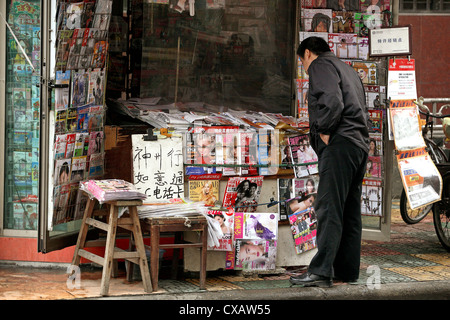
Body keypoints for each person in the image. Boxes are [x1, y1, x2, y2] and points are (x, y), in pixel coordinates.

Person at [290, 36, 369, 288]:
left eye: (302, 61)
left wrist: (324, 130)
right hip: (358, 145)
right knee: (349, 210)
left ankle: (321, 271)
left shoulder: (320, 65)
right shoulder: (347, 69)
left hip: (340, 145)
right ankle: (347, 270)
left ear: (309, 53)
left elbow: (332, 101)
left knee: (328, 207)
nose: (304, 67)